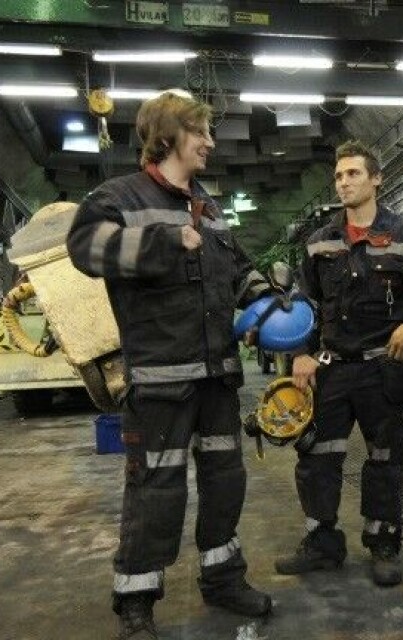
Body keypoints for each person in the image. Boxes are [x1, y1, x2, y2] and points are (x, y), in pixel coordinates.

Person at [67, 92, 273, 640]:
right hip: (161, 381)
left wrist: (271, 301)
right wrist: (162, 240)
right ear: (168, 137)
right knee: (156, 491)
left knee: (226, 481)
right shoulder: (119, 197)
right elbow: (84, 248)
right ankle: (136, 601)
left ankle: (223, 577)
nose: (209, 143)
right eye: (200, 132)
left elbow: (236, 268)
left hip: (217, 378)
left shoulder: (208, 204)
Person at [275, 140, 403, 587]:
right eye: (339, 176)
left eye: (353, 174)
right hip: (332, 368)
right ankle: (322, 544)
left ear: (376, 179)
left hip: (385, 369)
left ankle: (382, 544)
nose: (344, 183)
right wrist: (301, 353)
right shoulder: (320, 243)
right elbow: (302, 306)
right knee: (317, 456)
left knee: (384, 458)